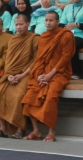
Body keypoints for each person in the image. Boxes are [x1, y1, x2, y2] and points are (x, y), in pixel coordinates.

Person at [22, 11, 75, 142]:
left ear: (58, 22)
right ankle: (36, 130)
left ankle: (51, 132)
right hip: (43, 72)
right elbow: (40, 59)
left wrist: (49, 75)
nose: (48, 23)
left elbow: (65, 58)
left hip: (59, 72)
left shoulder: (66, 35)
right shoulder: (44, 37)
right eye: (46, 20)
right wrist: (40, 75)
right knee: (29, 97)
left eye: (51, 20)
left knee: (51, 96)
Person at [0, 14, 40, 139]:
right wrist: (9, 75)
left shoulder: (34, 38)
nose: (19, 27)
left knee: (18, 96)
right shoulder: (12, 39)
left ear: (28, 24)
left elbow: (36, 60)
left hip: (27, 73)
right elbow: (9, 61)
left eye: (21, 24)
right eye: (16, 25)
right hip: (10, 73)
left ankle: (20, 128)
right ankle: (3, 129)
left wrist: (21, 75)